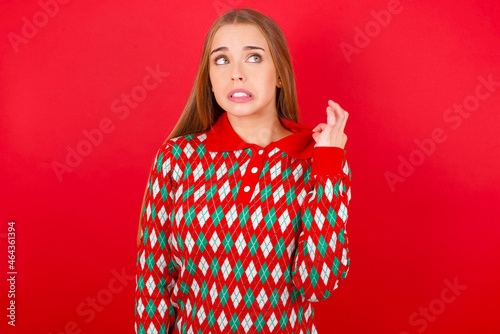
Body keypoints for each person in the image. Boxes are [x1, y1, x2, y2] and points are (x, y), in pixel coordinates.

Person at [134, 7, 351, 334]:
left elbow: (317, 284)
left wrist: (329, 165)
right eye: (221, 60)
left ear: (279, 73)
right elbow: (154, 282)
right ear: (209, 77)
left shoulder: (318, 157)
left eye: (253, 58)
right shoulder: (178, 157)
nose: (236, 73)